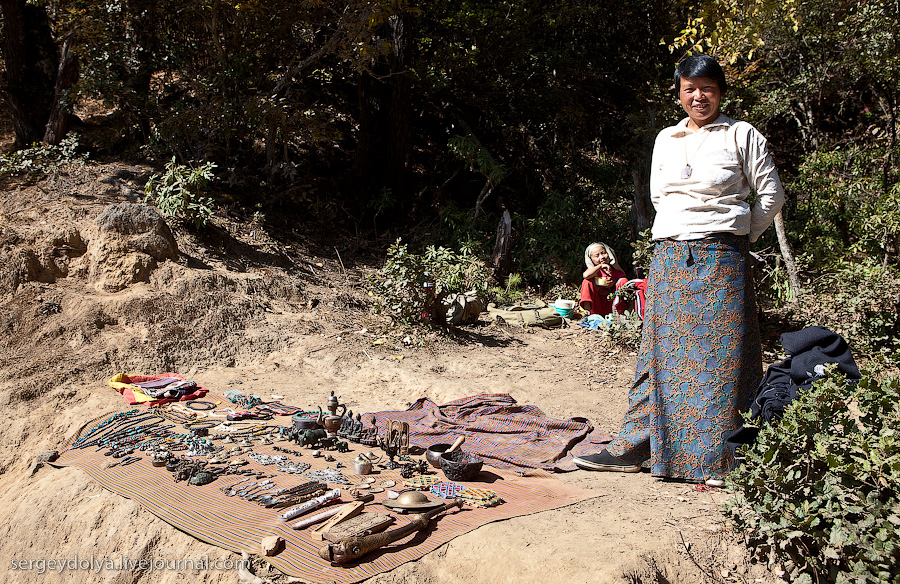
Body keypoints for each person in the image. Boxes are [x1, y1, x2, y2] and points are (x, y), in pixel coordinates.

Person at [573, 55, 784, 485]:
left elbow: (771, 197)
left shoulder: (742, 134)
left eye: (706, 87)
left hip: (723, 259)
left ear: (720, 91)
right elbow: (658, 198)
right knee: (659, 352)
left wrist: (735, 236)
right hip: (669, 255)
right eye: (689, 88)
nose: (698, 96)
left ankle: (722, 460)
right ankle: (637, 445)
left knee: (722, 360)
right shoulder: (666, 138)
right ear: (679, 94)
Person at [579, 242, 627, 316]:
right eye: (597, 256)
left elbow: (623, 280)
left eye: (603, 253)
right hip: (597, 304)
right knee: (587, 282)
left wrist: (614, 283)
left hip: (612, 304)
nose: (602, 257)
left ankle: (622, 313)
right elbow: (586, 275)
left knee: (623, 281)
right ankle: (587, 313)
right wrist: (600, 266)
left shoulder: (614, 270)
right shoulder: (593, 271)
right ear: (591, 259)